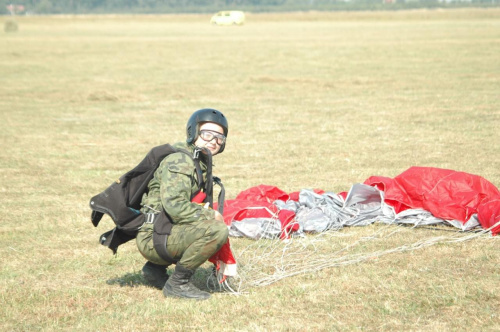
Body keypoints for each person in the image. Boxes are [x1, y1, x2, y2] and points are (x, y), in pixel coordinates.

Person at [136, 108, 229, 300]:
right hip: (155, 237)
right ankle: (178, 284)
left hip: (162, 231)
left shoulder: (198, 160)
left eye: (219, 137)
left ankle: (155, 270)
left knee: (208, 224)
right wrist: (211, 216)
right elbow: (175, 206)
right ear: (193, 133)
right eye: (207, 134)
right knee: (216, 230)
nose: (213, 140)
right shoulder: (181, 161)